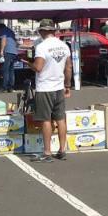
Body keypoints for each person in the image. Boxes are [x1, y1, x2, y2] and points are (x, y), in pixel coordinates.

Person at [31, 20, 72, 162]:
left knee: (46, 119)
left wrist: (28, 63)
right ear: (53, 31)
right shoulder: (64, 46)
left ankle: (47, 152)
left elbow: (38, 67)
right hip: (59, 86)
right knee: (60, 118)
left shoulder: (41, 47)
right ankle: (62, 149)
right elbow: (68, 67)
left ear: (42, 31)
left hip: (45, 87)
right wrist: (68, 86)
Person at [0, 22, 19, 92]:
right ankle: (11, 87)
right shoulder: (10, 31)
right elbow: (15, 41)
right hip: (13, 52)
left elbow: (3, 40)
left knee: (5, 70)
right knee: (11, 70)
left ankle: (4, 87)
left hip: (7, 51)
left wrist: (1, 51)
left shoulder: (2, 30)